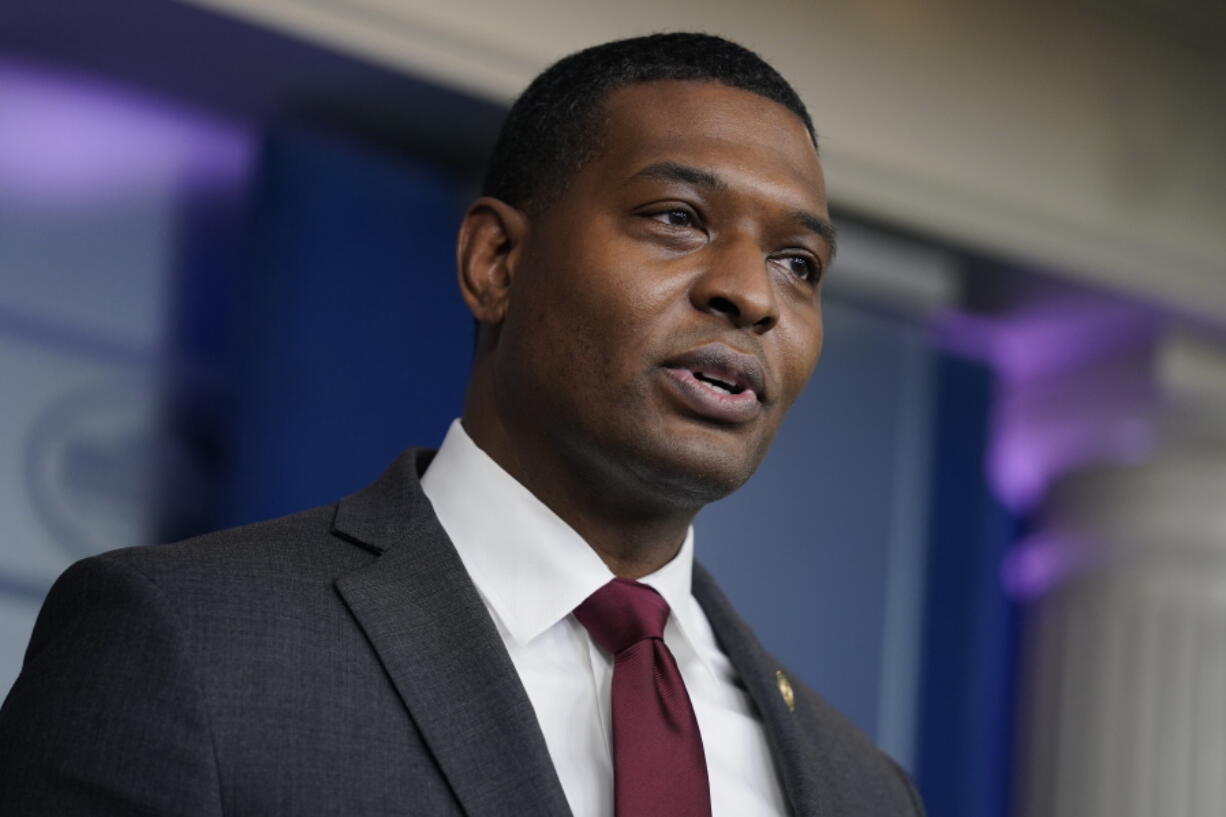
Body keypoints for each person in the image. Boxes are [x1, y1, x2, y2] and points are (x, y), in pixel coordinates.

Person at [0, 33, 925, 817]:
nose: (752, 293)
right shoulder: (184, 643)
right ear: (495, 263)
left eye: (799, 263)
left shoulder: (865, 787)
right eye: (678, 217)